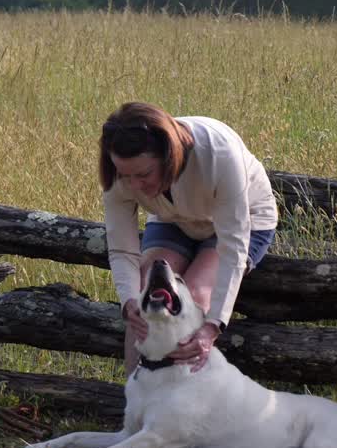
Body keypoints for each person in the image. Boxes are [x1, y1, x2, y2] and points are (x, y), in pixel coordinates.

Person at [98, 102, 278, 374]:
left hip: (246, 222)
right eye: (126, 175)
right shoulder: (118, 170)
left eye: (144, 174)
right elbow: (122, 250)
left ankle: (182, 408)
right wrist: (129, 303)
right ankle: (136, 404)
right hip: (174, 219)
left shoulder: (218, 153)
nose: (134, 186)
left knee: (192, 296)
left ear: (169, 155)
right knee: (147, 298)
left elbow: (232, 248)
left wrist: (212, 326)